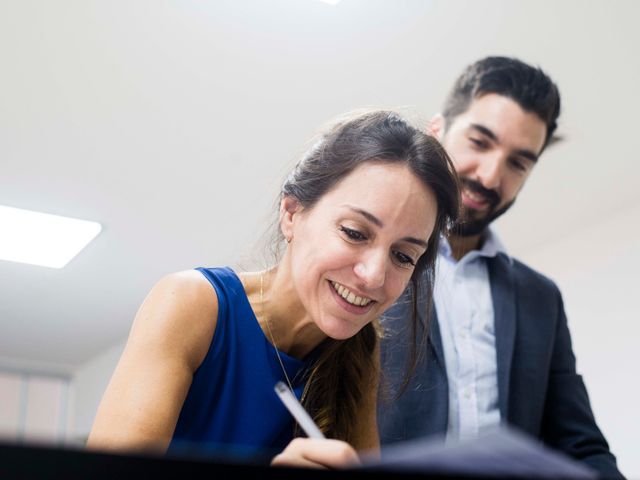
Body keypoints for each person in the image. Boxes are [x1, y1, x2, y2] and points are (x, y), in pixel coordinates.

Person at [86, 110, 460, 469]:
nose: (374, 276)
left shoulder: (360, 352)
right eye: (354, 233)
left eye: (403, 255)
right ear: (291, 213)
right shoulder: (190, 304)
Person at [378, 56, 624, 479]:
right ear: (436, 131)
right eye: (480, 142)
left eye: (518, 162)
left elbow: (580, 445)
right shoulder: (369, 261)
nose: (491, 177)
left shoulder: (541, 299)